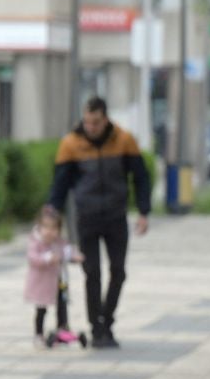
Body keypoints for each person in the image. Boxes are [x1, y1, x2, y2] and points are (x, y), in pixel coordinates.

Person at [49, 97, 151, 349]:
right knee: (91, 273)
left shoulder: (124, 140)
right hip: (87, 218)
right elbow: (59, 186)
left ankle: (107, 320)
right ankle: (97, 328)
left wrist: (144, 211)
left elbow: (140, 177)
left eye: (95, 122)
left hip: (116, 217)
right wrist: (52, 217)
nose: (90, 127)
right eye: (87, 122)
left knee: (119, 271)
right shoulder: (71, 144)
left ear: (105, 119)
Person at [24, 206, 82, 349]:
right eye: (46, 228)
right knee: (41, 309)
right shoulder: (36, 242)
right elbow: (33, 258)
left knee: (62, 305)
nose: (50, 232)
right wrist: (47, 258)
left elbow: (67, 252)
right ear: (39, 227)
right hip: (41, 283)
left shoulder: (59, 242)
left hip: (58, 281)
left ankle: (62, 329)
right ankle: (38, 334)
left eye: (54, 229)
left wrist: (74, 256)